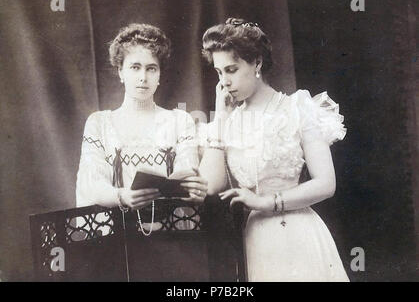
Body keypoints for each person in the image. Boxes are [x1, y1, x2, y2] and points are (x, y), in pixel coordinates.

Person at [198, 18, 349, 281]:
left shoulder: (298, 108)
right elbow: (210, 186)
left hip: (300, 236)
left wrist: (267, 202)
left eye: (231, 70)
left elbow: (326, 183)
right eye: (219, 72)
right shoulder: (228, 121)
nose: (225, 82)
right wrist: (220, 118)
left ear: (256, 63)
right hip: (257, 241)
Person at [76, 23, 207, 232]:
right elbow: (90, 183)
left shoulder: (180, 121)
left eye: (151, 68)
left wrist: (195, 188)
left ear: (160, 74)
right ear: (120, 71)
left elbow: (187, 171)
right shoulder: (99, 123)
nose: (143, 77)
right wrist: (122, 196)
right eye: (135, 67)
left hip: (170, 235)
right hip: (118, 237)